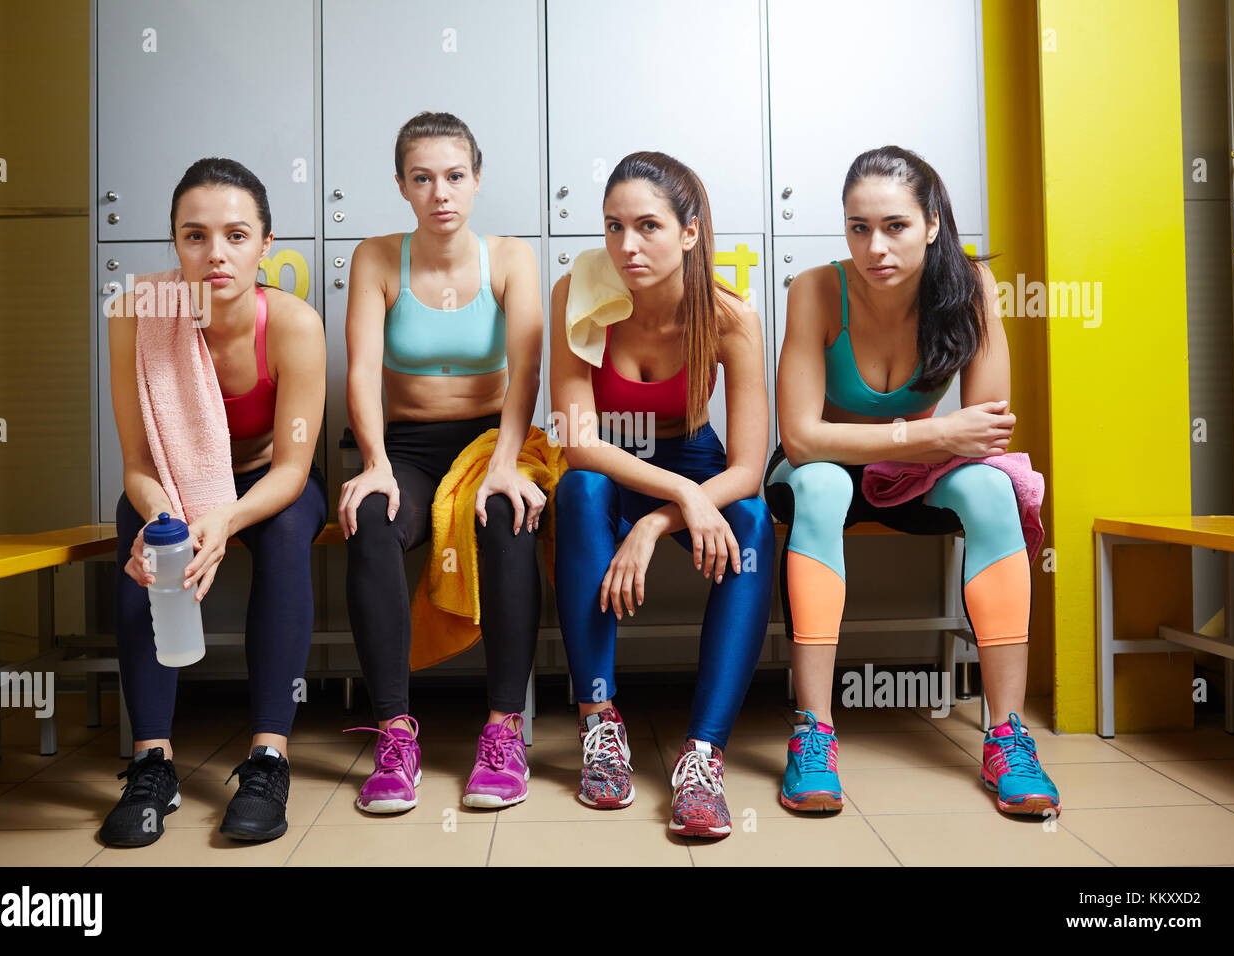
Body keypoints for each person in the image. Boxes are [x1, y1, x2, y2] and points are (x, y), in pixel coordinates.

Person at [767, 145, 1059, 818]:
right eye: (858, 227)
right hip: (824, 470)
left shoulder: (970, 288)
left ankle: (1007, 736)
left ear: (932, 223)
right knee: (822, 487)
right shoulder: (816, 288)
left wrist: (932, 444)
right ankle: (813, 732)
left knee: (990, 489)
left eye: (894, 225)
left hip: (919, 476)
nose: (875, 246)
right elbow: (803, 439)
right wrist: (929, 433)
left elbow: (986, 432)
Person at [102, 157, 328, 846]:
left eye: (236, 235)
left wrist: (226, 517)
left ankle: (268, 757)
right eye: (194, 235)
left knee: (288, 533)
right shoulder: (136, 314)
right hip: (173, 485)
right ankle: (152, 763)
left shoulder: (292, 323)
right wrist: (166, 519)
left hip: (266, 486)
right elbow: (138, 464)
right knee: (138, 536)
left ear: (265, 244)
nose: (215, 253)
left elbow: (293, 469)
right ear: (174, 243)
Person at [550, 151, 774, 838]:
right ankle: (599, 724)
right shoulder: (576, 296)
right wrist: (679, 497)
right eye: (613, 226)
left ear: (690, 232)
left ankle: (703, 756)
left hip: (696, 460)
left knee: (753, 520)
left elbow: (748, 466)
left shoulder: (730, 317)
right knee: (581, 490)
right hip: (616, 464)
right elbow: (579, 441)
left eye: (647, 225)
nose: (626, 246)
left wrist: (654, 525)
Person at [339, 112, 546, 812]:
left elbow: (526, 374)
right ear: (401, 185)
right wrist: (373, 462)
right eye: (422, 178)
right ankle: (395, 735)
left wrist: (508, 462)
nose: (441, 193)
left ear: (477, 180)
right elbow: (362, 372)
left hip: (493, 438)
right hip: (406, 448)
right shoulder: (375, 257)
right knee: (369, 517)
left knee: (506, 510)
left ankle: (503, 728)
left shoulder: (512, 259)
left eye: (455, 176)